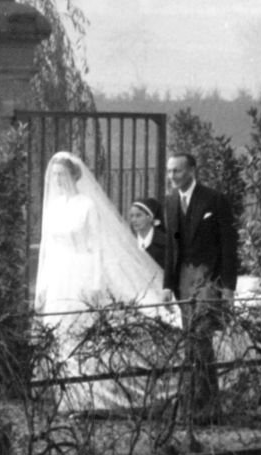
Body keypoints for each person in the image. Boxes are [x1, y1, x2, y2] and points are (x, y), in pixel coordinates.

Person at [34, 152, 176, 411]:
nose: (57, 180)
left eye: (62, 175)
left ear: (73, 176)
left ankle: (87, 398)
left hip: (81, 270)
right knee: (57, 331)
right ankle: (64, 396)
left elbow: (97, 246)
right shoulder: (53, 207)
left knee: (78, 331)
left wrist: (96, 281)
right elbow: (47, 248)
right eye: (54, 175)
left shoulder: (86, 204)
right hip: (58, 274)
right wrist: (42, 284)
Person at [158, 150, 239, 425]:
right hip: (183, 281)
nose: (172, 176)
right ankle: (198, 407)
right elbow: (171, 245)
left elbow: (229, 244)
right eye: (169, 172)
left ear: (191, 171)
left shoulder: (214, 199)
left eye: (177, 171)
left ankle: (204, 408)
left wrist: (228, 286)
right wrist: (167, 285)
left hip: (208, 278)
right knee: (191, 341)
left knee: (200, 339)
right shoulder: (170, 202)